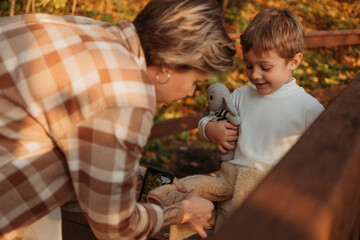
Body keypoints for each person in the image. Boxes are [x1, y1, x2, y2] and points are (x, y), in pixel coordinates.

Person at [0, 0, 236, 239]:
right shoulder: (127, 94)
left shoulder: (91, 32)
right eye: (195, 82)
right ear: (168, 64)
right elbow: (116, 227)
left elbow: (74, 138)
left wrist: (141, 176)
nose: (190, 93)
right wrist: (182, 212)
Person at [198, 8, 324, 229]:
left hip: (272, 205)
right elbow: (206, 119)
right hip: (230, 198)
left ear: (293, 62)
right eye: (249, 65)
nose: (255, 74)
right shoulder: (239, 96)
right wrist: (209, 129)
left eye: (265, 67)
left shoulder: (308, 109)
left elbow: (321, 158)